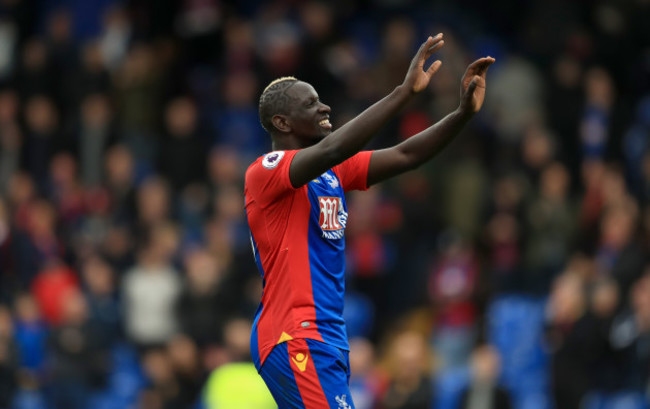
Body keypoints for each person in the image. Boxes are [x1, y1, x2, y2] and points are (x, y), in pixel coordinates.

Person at [245, 33, 494, 408]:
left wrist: (461, 115)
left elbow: (406, 154)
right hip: (294, 334)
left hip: (325, 335)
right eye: (311, 103)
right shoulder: (266, 172)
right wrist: (403, 92)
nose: (324, 107)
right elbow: (335, 146)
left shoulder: (332, 173)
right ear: (282, 122)